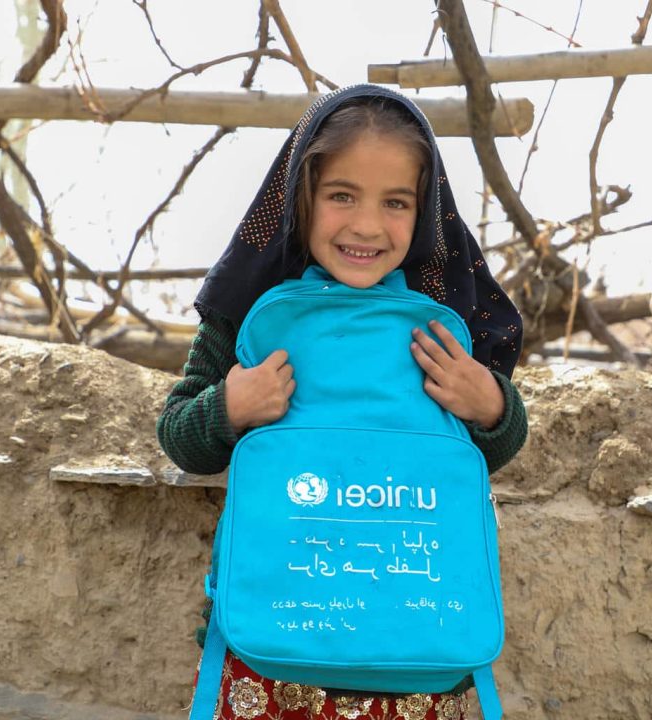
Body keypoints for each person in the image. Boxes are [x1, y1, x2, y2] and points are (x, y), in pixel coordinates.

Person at [157, 85, 528, 720]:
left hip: (419, 656)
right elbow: (178, 434)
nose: (366, 225)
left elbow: (480, 456)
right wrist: (230, 407)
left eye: (396, 202)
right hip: (274, 653)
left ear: (427, 210)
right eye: (341, 196)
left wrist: (491, 404)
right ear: (300, 198)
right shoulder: (253, 311)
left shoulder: (446, 321)